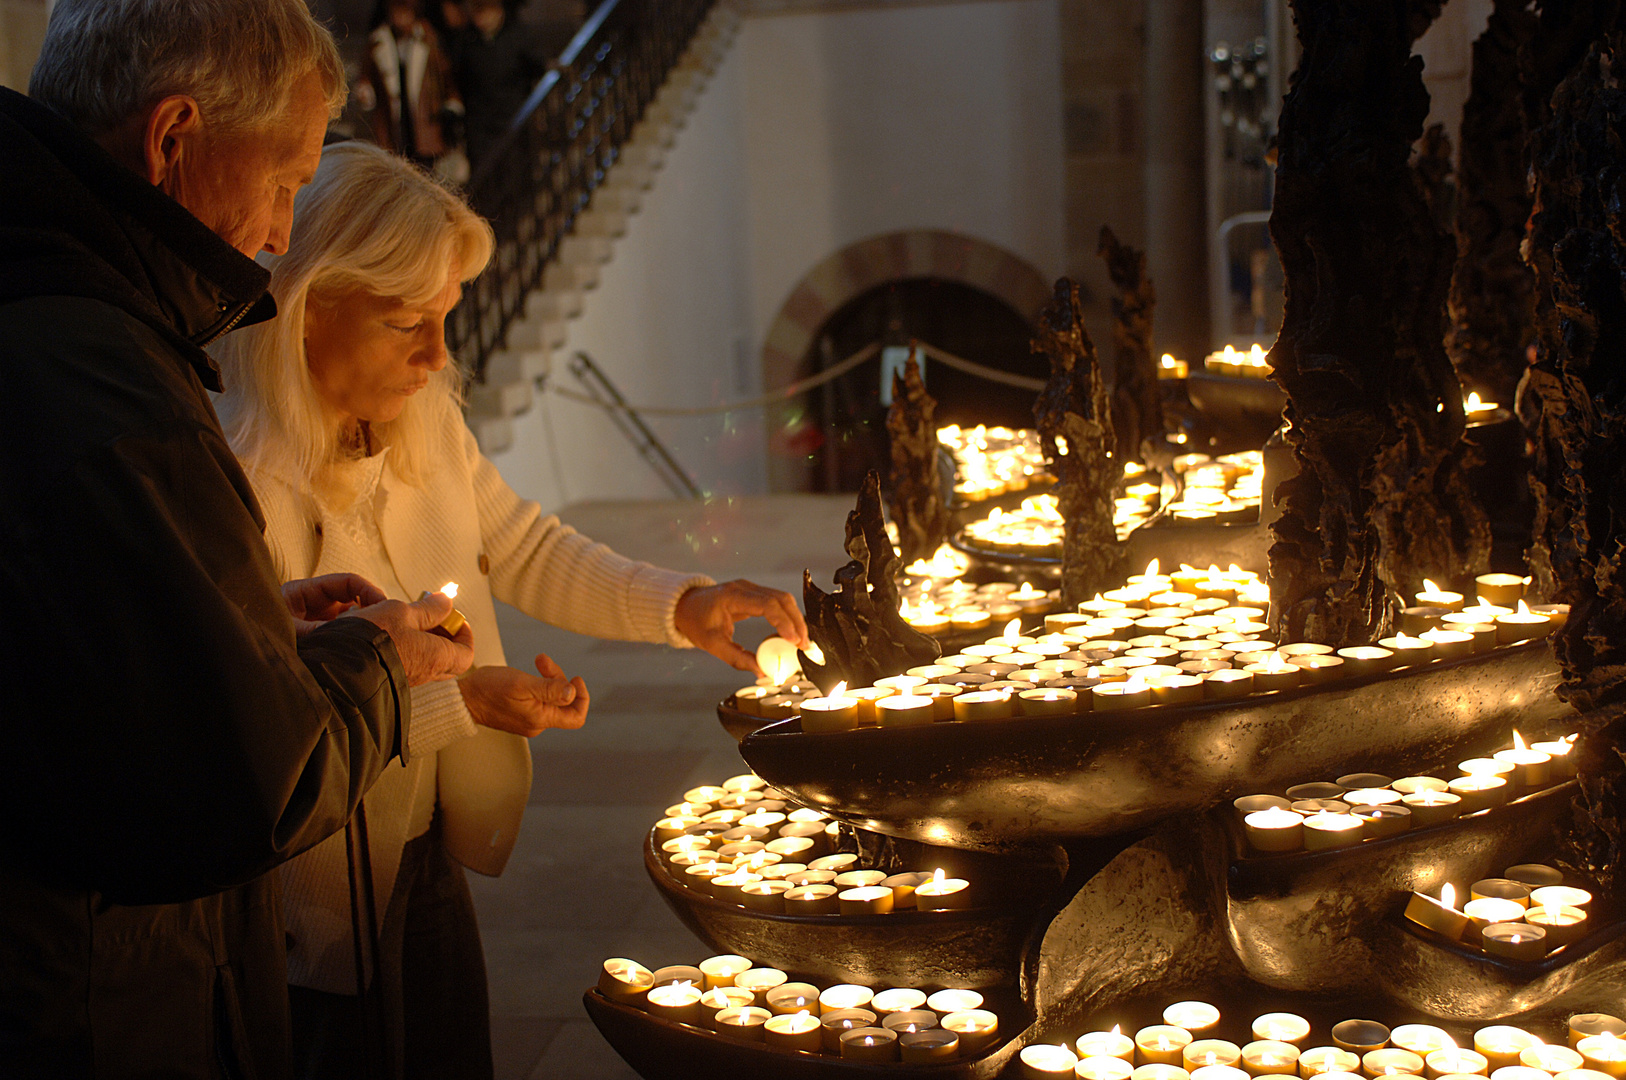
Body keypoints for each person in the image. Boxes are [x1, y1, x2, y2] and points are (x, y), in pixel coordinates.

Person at [212, 141, 808, 1079]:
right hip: (314, 898)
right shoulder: (233, 477)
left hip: (426, 846)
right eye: (406, 321)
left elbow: (520, 544)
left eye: (447, 318)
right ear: (305, 313)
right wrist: (471, 703)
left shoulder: (424, 420)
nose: (437, 356)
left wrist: (682, 604)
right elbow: (270, 727)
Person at [0, 1, 480, 1075]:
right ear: (174, 141)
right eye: (285, 181)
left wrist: (253, 633)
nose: (275, 232)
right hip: (87, 991)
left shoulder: (57, 311)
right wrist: (380, 659)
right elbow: (247, 782)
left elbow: (77, 671)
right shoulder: (105, 377)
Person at [356, 0, 461, 170]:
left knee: (425, 173)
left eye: (405, 12)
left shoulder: (428, 40)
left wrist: (451, 104)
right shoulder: (378, 42)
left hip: (424, 122)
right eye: (397, 12)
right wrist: (365, 92)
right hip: (394, 125)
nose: (401, 18)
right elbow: (366, 76)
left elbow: (446, 76)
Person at [448, 0, 554, 168]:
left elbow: (537, 67)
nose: (481, 18)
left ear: (497, 10)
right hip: (480, 124)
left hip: (514, 120)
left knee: (516, 172)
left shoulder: (518, 35)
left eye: (485, 11)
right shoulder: (466, 41)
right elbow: (459, 77)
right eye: (477, 11)